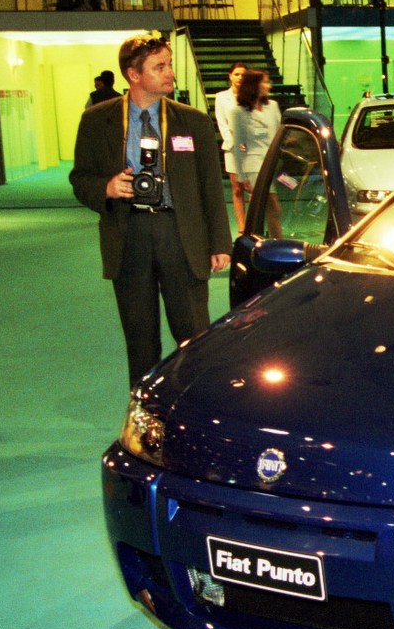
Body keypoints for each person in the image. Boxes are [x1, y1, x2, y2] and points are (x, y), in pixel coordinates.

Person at [68, 34, 232, 386]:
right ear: (134, 74)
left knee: (194, 335)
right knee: (140, 340)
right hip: (128, 235)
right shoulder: (97, 120)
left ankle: (195, 402)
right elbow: (80, 179)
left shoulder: (193, 121)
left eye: (169, 64)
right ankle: (145, 408)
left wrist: (220, 242)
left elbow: (210, 186)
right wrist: (106, 188)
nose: (170, 72)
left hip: (181, 235)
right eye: (160, 66)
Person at [230, 69, 284, 238]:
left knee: (262, 208)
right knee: (273, 207)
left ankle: (255, 237)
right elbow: (239, 144)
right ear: (254, 86)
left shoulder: (273, 106)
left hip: (274, 164)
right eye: (265, 82)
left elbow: (279, 133)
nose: (269, 86)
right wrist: (241, 175)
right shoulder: (238, 112)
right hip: (254, 166)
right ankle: (277, 241)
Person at [214, 61, 247, 227]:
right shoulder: (221, 97)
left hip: (250, 148)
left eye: (243, 75)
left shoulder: (252, 96)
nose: (240, 78)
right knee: (237, 189)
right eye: (237, 74)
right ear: (230, 76)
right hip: (232, 148)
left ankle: (254, 225)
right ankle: (242, 227)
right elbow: (222, 123)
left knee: (252, 188)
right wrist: (234, 142)